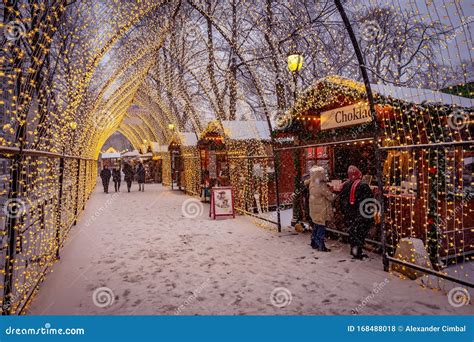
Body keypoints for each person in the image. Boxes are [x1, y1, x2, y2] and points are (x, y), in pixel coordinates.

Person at [339, 165, 374, 259]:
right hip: (360, 214)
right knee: (360, 233)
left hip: (349, 214)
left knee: (353, 232)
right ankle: (357, 252)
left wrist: (345, 211)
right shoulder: (363, 185)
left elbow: (341, 199)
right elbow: (369, 200)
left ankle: (354, 250)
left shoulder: (345, 184)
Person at [306, 166, 335, 252]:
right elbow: (330, 197)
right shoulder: (321, 186)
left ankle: (314, 242)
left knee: (316, 225)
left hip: (314, 209)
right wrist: (334, 194)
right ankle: (321, 245)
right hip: (321, 209)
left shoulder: (312, 183)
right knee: (321, 227)